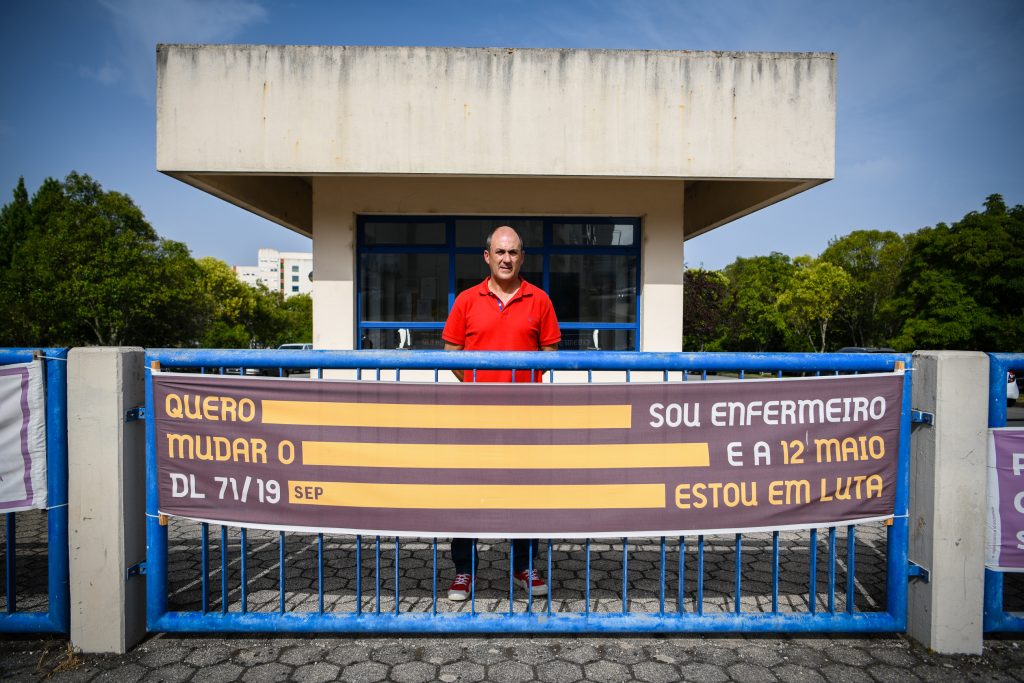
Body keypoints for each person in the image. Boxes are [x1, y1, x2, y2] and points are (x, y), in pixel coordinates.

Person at [440, 225, 561, 601]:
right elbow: (450, 354)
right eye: (500, 252)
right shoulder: (465, 300)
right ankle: (464, 571)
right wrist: (482, 386)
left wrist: (520, 389)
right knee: (468, 492)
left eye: (513, 252)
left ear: (521, 258)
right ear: (487, 256)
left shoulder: (539, 299)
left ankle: (525, 566)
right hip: (475, 414)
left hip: (525, 416)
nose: (506, 258)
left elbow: (551, 354)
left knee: (524, 493)